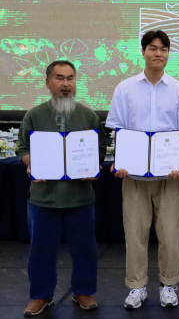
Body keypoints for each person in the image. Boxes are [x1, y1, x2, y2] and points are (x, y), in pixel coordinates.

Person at [106, 30, 179, 309]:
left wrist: (176, 160)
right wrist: (122, 161)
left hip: (169, 176)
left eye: (164, 49)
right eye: (153, 48)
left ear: (168, 54)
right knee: (135, 234)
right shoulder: (125, 88)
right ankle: (137, 287)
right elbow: (118, 130)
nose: (158, 53)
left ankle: (169, 285)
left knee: (170, 234)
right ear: (143, 52)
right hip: (132, 176)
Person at [17, 60, 107, 316]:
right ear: (48, 83)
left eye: (70, 78)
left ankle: (83, 291)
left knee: (85, 248)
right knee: (41, 250)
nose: (66, 84)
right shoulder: (34, 115)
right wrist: (32, 164)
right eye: (59, 78)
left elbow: (98, 150)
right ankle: (41, 296)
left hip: (80, 197)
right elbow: (23, 149)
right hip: (44, 198)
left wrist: (92, 166)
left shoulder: (88, 116)